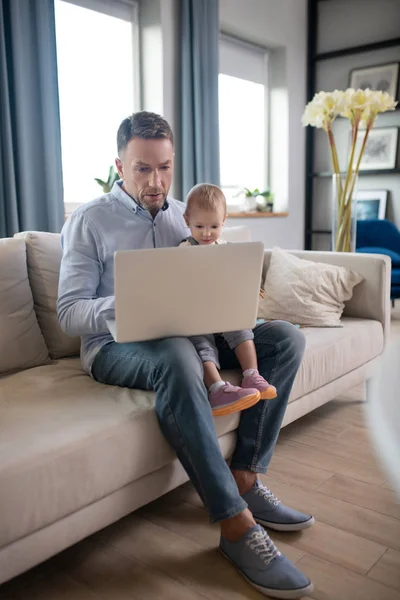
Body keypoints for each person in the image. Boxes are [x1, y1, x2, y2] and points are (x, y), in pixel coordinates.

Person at [57, 111, 314, 599]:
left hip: (191, 329)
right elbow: (69, 314)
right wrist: (135, 301)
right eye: (143, 169)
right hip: (115, 346)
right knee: (177, 352)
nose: (157, 182)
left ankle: (244, 475)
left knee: (285, 339)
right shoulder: (89, 221)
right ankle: (235, 525)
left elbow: (210, 282)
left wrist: (235, 293)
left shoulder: (186, 214)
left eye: (165, 167)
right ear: (119, 165)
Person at [180, 183, 277, 418]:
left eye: (214, 226)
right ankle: (216, 388)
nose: (206, 233)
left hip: (224, 311)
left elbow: (242, 275)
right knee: (200, 343)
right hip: (196, 316)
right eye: (199, 226)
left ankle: (251, 374)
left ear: (224, 220)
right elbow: (179, 283)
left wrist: (252, 288)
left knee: (241, 328)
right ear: (187, 220)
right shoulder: (184, 249)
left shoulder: (227, 249)